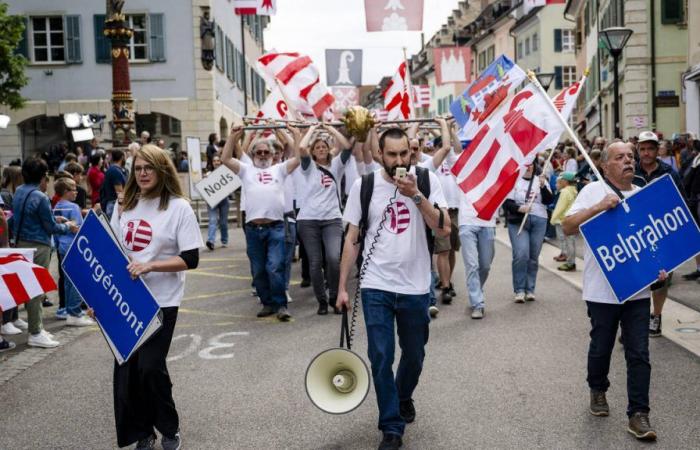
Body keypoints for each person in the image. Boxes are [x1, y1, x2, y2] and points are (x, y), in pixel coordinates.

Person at [337, 127, 450, 450]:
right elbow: (351, 238)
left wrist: (416, 195)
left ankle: (403, 396)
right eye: (392, 155)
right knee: (381, 355)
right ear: (380, 154)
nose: (399, 160)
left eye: (405, 154)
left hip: (415, 286)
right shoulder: (366, 185)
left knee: (414, 355)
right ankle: (391, 425)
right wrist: (343, 286)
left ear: (411, 153)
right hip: (376, 285)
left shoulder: (427, 181)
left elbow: (443, 225)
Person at [562, 141, 665, 441]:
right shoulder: (592, 190)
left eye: (630, 157)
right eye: (620, 157)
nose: (628, 161)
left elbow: (654, 240)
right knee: (602, 346)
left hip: (637, 291)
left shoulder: (643, 194)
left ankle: (639, 414)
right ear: (605, 165)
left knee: (639, 353)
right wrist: (598, 207)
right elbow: (567, 226)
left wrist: (660, 267)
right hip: (602, 292)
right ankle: (597, 389)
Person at [109, 144, 203, 450]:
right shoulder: (125, 206)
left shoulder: (179, 207)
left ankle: (169, 427)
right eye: (138, 168)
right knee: (128, 373)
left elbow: (190, 258)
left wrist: (151, 265)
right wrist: (97, 300)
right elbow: (111, 254)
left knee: (150, 367)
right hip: (125, 300)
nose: (143, 173)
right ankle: (143, 433)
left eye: (149, 167)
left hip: (162, 301)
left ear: (162, 170)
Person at [221, 125, 301, 321]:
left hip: (276, 227)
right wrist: (233, 136)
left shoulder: (279, 169)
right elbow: (224, 159)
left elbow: (298, 158)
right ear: (253, 154)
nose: (263, 155)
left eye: (267, 152)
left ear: (273, 155)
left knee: (275, 267)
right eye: (259, 152)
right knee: (258, 271)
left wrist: (297, 135)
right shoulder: (246, 170)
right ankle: (267, 304)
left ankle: (280, 304)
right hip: (253, 229)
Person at [11, 158, 78, 348]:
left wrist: (55, 218)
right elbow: (50, 227)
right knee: (36, 290)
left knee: (29, 287)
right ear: (42, 177)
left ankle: (36, 327)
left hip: (23, 243)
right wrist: (68, 226)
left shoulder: (19, 192)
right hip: (39, 245)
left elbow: (32, 218)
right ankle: (36, 332)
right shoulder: (40, 196)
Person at [633, 131, 685, 337]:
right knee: (639, 277)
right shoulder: (631, 171)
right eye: (643, 149)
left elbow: (680, 202)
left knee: (662, 278)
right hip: (636, 234)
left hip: (662, 232)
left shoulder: (669, 173)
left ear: (657, 150)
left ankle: (656, 316)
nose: (646, 153)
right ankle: (635, 322)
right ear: (638, 150)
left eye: (650, 148)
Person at [296, 124, 352, 315]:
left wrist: (329, 129)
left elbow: (347, 146)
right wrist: (312, 129)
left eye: (324, 147)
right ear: (314, 151)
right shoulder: (308, 167)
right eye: (317, 147)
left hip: (332, 219)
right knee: (314, 262)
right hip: (308, 220)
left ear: (329, 150)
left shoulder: (336, 165)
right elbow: (302, 148)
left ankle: (335, 296)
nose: (321, 149)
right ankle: (321, 300)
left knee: (334, 258)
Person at [503, 162, 554, 302]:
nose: (528, 167)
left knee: (533, 256)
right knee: (521, 254)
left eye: (530, 165)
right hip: (519, 221)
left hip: (540, 220)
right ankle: (519, 290)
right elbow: (506, 203)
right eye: (525, 164)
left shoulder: (540, 179)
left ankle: (530, 289)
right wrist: (520, 209)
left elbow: (549, 200)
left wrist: (543, 186)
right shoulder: (514, 180)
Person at [53, 178, 94, 326]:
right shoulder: (74, 207)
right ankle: (74, 313)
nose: (76, 191)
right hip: (73, 246)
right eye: (73, 189)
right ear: (66, 192)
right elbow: (79, 229)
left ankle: (70, 309)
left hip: (62, 247)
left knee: (67, 281)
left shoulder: (56, 206)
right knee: (77, 280)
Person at [550, 171, 578, 271]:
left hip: (564, 220)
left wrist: (553, 219)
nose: (557, 183)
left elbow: (560, 207)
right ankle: (569, 260)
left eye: (559, 181)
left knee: (568, 241)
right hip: (572, 219)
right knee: (571, 241)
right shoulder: (573, 190)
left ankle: (571, 263)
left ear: (565, 181)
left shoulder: (565, 192)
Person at [205, 155, 230, 250]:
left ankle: (224, 240)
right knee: (212, 220)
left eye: (218, 160)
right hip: (212, 201)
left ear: (221, 162)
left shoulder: (225, 173)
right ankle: (210, 241)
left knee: (223, 222)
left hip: (224, 200)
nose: (216, 162)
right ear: (212, 163)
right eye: (214, 160)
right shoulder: (208, 174)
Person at [100, 149, 128, 219]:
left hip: (114, 204)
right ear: (122, 157)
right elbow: (119, 192)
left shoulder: (116, 170)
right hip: (114, 205)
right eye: (125, 156)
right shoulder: (115, 171)